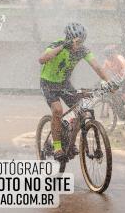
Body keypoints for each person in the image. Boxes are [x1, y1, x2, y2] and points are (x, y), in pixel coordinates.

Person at [39, 23, 113, 160]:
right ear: (69, 38)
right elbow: (42, 59)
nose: (79, 45)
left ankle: (70, 142)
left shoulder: (82, 51)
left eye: (82, 41)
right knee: (57, 111)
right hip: (48, 83)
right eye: (77, 42)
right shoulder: (58, 45)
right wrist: (63, 46)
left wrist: (109, 82)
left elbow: (96, 66)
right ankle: (57, 147)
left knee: (83, 110)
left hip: (64, 84)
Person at [102, 44, 125, 127]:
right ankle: (119, 110)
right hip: (118, 78)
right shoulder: (107, 61)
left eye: (111, 55)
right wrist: (102, 81)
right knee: (111, 92)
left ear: (113, 53)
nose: (109, 58)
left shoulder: (120, 58)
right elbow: (103, 72)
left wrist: (121, 79)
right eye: (107, 56)